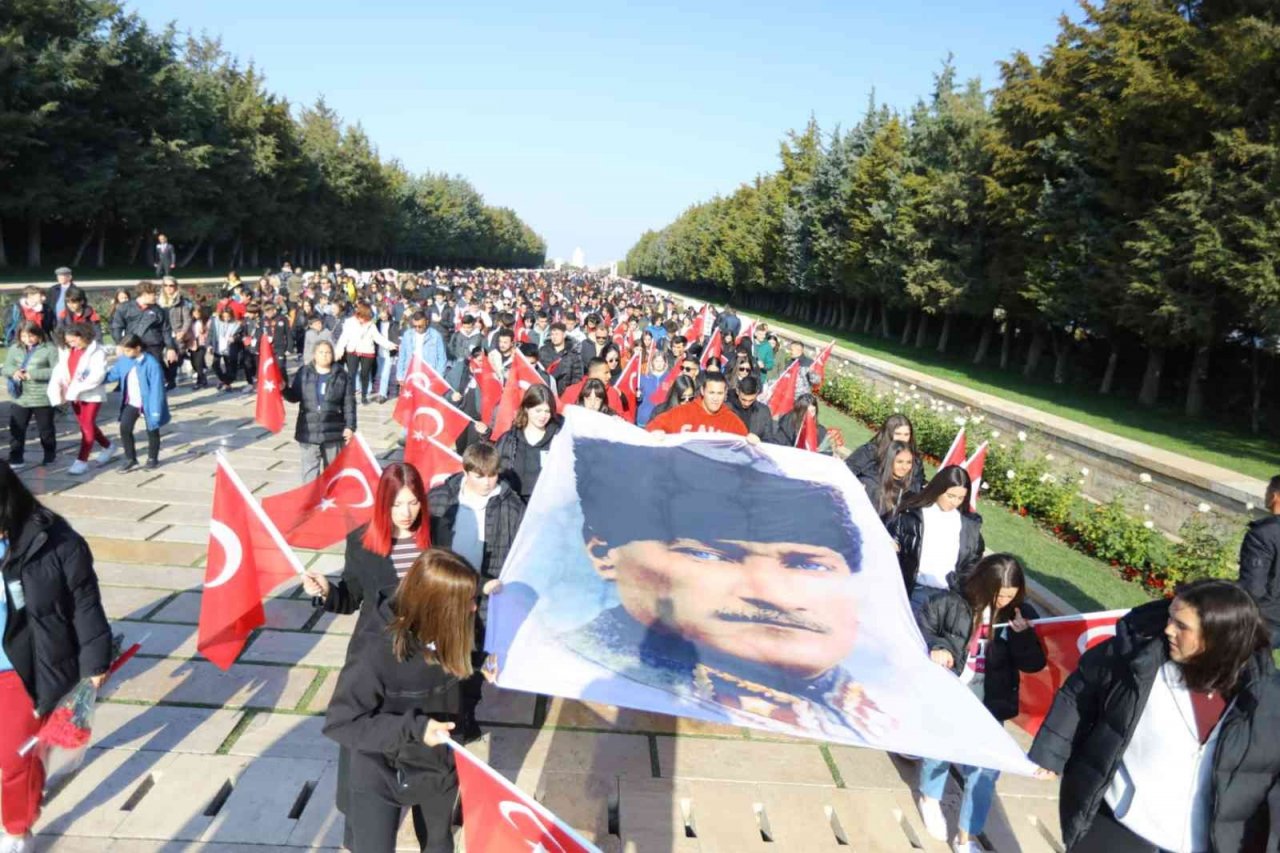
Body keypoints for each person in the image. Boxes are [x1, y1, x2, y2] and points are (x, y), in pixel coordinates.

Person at [549, 437, 885, 740]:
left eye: (809, 565)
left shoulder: (879, 710)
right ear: (605, 554)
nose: (773, 594)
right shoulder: (575, 671)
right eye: (707, 554)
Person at [1029, 580, 1280, 853]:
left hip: (1204, 843)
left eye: (1182, 626)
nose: (1168, 629)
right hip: (1119, 823)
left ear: (1219, 638)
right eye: (1170, 618)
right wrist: (1051, 753)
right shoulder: (1137, 661)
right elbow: (1080, 690)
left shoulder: (1265, 701)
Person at [322, 548, 481, 853]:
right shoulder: (373, 653)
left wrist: (481, 665)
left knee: (438, 843)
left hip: (438, 764)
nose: (474, 608)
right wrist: (416, 728)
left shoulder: (456, 626)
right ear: (437, 606)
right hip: (379, 769)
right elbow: (340, 723)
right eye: (467, 601)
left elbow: (459, 671)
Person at [0, 461, 112, 852]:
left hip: (23, 668)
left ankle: (17, 829)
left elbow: (85, 603)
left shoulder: (56, 542)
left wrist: (94, 664)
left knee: (13, 757)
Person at [914, 554, 1046, 852]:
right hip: (955, 689)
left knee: (986, 768)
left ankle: (967, 836)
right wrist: (938, 647)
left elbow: (1034, 664)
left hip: (992, 697)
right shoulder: (952, 602)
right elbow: (922, 629)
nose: (1003, 601)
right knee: (942, 747)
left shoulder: (1020, 614)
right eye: (999, 595)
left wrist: (1024, 637)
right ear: (983, 585)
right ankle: (930, 796)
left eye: (1011, 596)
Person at [888, 466, 984, 604]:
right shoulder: (912, 514)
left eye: (960, 498)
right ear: (938, 489)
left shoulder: (969, 526)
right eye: (950, 496)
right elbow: (893, 544)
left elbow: (973, 562)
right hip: (913, 589)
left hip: (946, 596)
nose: (955, 502)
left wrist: (957, 583)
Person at [48, 322, 117, 476]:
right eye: (68, 342)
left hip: (91, 394)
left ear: (83, 336)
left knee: (86, 426)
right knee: (87, 425)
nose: (71, 344)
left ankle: (82, 461)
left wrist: (76, 389)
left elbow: (97, 376)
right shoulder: (67, 350)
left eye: (73, 340)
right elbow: (61, 369)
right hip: (73, 395)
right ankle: (108, 446)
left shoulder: (97, 351)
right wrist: (57, 389)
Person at [281, 341, 356, 483]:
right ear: (314, 354)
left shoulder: (342, 375)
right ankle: (311, 497)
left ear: (332, 355)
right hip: (308, 431)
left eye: (328, 352)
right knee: (309, 474)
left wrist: (350, 426)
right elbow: (294, 396)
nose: (324, 355)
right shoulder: (304, 372)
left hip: (333, 431)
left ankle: (331, 496)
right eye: (321, 352)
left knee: (333, 473)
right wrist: (284, 389)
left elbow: (349, 403)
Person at [104, 335, 170, 471]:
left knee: (152, 430)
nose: (125, 353)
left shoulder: (151, 363)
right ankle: (131, 459)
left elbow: (157, 389)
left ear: (138, 348)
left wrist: (156, 411)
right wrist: (95, 379)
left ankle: (152, 458)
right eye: (124, 350)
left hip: (148, 403)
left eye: (128, 350)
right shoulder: (124, 361)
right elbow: (112, 375)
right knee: (125, 428)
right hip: (132, 402)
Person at [3, 322, 58, 471]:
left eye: (31, 336)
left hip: (42, 396)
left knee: (46, 429)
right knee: (17, 429)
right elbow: (6, 367)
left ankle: (49, 454)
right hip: (20, 396)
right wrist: (13, 372)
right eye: (24, 336)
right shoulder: (15, 348)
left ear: (39, 334)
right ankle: (16, 457)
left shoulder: (49, 349)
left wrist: (32, 374)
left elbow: (57, 371)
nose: (28, 339)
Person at [495, 384, 561, 503]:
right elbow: (496, 471)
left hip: (548, 504)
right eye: (538, 410)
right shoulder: (509, 439)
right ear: (526, 408)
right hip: (513, 505)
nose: (543, 416)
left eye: (547, 411)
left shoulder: (559, 438)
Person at [645, 374, 755, 440]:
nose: (715, 398)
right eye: (711, 393)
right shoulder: (682, 412)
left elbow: (747, 451)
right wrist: (656, 433)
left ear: (725, 393)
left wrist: (753, 442)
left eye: (719, 393)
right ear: (702, 391)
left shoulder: (732, 422)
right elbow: (650, 429)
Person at [1239, 475, 1280, 648]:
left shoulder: (1263, 534)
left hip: (1266, 620)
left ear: (1275, 496)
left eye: (1267, 490)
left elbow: (1253, 589)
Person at [335, 304, 398, 405]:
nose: (369, 316)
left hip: (367, 351)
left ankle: (364, 396)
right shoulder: (350, 322)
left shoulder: (371, 324)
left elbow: (378, 337)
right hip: (353, 350)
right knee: (352, 374)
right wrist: (339, 350)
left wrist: (390, 345)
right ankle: (351, 396)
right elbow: (344, 337)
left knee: (365, 374)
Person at [847, 414, 926, 492]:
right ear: (888, 434)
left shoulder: (915, 461)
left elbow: (917, 487)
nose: (902, 438)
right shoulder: (869, 452)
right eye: (898, 434)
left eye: (906, 435)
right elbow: (847, 472)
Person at [110, 281, 178, 371]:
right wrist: (120, 344)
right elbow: (116, 327)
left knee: (155, 371)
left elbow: (166, 331)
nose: (156, 297)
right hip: (133, 346)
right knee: (132, 372)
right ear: (145, 294)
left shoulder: (159, 311)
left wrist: (170, 348)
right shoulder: (125, 308)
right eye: (153, 295)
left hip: (154, 347)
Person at [860, 441, 915, 522]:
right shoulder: (871, 484)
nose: (904, 467)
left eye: (909, 462)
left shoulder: (908, 489)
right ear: (889, 461)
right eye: (899, 462)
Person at [157, 277, 193, 390]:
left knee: (173, 358)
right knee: (157, 357)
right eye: (166, 285)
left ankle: (171, 381)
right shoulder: (158, 301)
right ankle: (168, 377)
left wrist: (183, 331)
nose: (168, 288)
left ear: (176, 287)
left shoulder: (182, 301)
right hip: (161, 333)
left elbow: (187, 319)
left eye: (171, 286)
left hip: (175, 333)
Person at [396, 310, 446, 383]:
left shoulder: (435, 336)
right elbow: (402, 356)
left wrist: (438, 377)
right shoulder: (407, 335)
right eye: (415, 326)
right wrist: (400, 376)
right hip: (410, 374)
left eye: (420, 326)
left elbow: (442, 358)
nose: (417, 329)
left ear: (426, 322)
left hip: (429, 375)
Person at [725, 376, 775, 442]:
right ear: (737, 391)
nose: (747, 404)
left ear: (757, 394)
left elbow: (769, 439)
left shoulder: (764, 412)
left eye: (751, 400)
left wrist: (759, 442)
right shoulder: (726, 408)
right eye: (743, 399)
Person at [211, 306, 242, 393]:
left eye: (228, 317)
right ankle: (223, 380)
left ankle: (227, 383)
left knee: (229, 367)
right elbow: (211, 333)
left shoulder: (236, 324)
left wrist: (234, 338)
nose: (226, 319)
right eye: (224, 317)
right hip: (218, 346)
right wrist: (209, 345)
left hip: (229, 347)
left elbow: (240, 335)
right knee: (215, 365)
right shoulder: (216, 322)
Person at [636, 352, 669, 427]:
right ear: (652, 362)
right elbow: (637, 400)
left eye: (661, 361)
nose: (659, 364)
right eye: (656, 361)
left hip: (662, 420)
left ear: (665, 363)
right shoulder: (643, 378)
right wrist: (638, 396)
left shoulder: (669, 378)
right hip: (644, 419)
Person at [183, 304, 210, 390]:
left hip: (202, 344)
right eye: (194, 312)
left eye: (198, 312)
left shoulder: (206, 321)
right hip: (192, 344)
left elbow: (209, 332)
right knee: (194, 363)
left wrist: (204, 333)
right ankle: (203, 378)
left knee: (199, 363)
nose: (196, 314)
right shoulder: (190, 321)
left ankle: (200, 381)